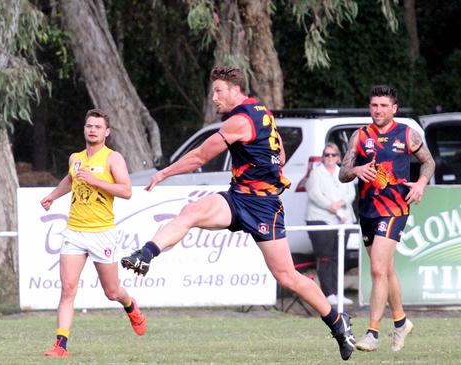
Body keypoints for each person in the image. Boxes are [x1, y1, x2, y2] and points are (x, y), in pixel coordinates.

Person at [121, 66, 356, 361]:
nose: (214, 98)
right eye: (213, 92)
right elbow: (280, 154)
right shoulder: (261, 111)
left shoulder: (240, 120)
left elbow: (200, 156)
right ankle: (146, 253)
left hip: (263, 206)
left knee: (287, 276)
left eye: (218, 91)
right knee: (191, 212)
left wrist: (164, 172)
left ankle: (337, 322)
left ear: (235, 90)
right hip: (237, 198)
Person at [39, 109, 147, 358]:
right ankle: (60, 346)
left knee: (111, 292)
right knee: (67, 289)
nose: (92, 130)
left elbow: (126, 191)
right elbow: (70, 179)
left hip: (101, 232)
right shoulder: (75, 157)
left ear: (106, 132)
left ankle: (130, 305)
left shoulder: (113, 158)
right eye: (89, 126)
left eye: (98, 127)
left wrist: (96, 181)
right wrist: (52, 196)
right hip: (75, 231)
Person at [339, 85, 435, 352]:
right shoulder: (360, 136)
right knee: (387, 269)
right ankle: (401, 321)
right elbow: (343, 173)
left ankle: (372, 332)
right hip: (367, 210)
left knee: (378, 270)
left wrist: (421, 184)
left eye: (383, 106)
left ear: (394, 108)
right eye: (374, 105)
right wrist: (356, 169)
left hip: (395, 208)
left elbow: (429, 162)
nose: (378, 110)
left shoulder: (407, 134)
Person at [305, 143, 356, 306]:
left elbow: (351, 193)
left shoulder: (343, 172)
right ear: (323, 157)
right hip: (320, 218)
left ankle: (337, 292)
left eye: (333, 155)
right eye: (327, 155)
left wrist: (340, 204)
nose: (330, 158)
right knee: (325, 257)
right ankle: (327, 293)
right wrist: (331, 206)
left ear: (338, 157)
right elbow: (314, 194)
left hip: (343, 220)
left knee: (339, 257)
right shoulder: (316, 173)